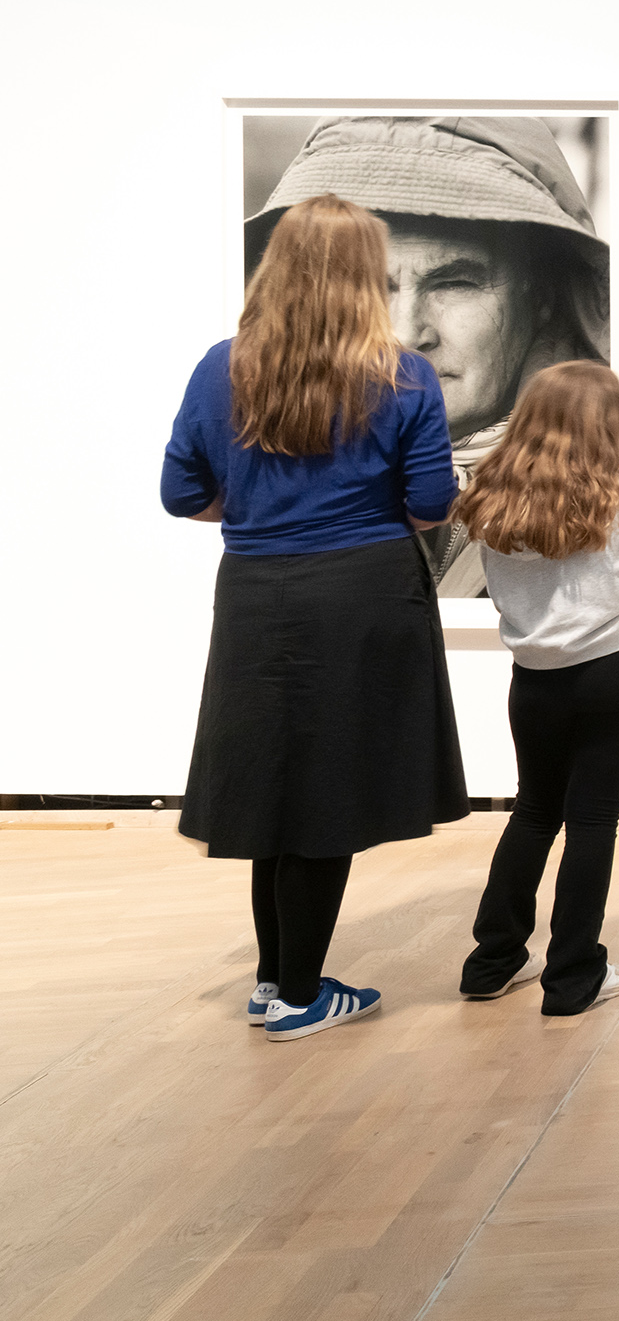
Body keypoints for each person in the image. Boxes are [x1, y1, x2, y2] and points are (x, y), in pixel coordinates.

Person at [162, 194, 469, 1042]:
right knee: (328, 791)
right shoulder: (401, 374)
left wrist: (262, 512)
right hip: (363, 593)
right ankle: (301, 995)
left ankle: (274, 980)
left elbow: (182, 495)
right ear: (366, 276)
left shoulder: (221, 366)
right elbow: (431, 503)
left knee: (274, 783)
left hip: (254, 592)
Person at [247, 116, 610, 597]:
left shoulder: (616, 505)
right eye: (367, 288)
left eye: (454, 282)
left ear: (544, 295)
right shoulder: (250, 474)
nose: (404, 335)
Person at [453, 362, 619, 1014]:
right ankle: (574, 976)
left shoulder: (493, 498)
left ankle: (491, 962)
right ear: (607, 424)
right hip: (616, 671)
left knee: (533, 810)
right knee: (592, 820)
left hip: (534, 681)